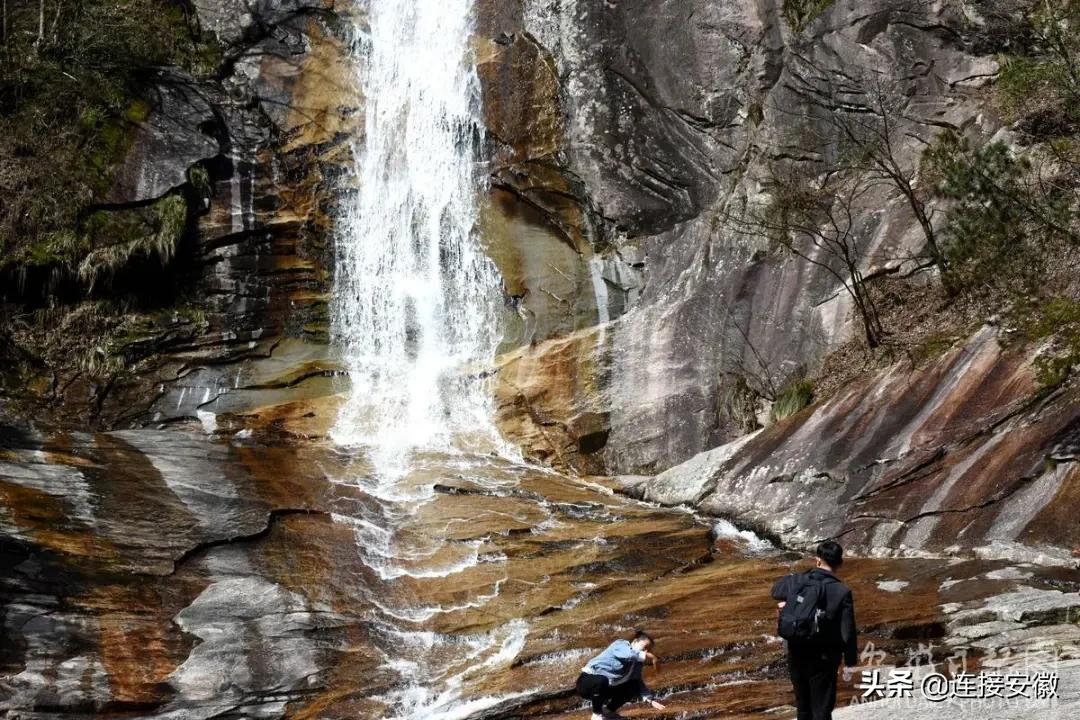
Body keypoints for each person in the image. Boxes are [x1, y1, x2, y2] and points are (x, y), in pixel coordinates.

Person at [770, 540, 858, 720]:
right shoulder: (842, 591)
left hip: (796, 652)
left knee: (803, 708)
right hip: (824, 659)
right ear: (840, 563)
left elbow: (775, 591)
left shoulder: (798, 581)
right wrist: (849, 661)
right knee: (821, 711)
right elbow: (847, 630)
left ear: (817, 560)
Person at [575, 630, 667, 720]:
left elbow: (638, 682)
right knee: (601, 680)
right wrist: (652, 657)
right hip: (586, 683)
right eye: (645, 647)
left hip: (604, 689)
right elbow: (628, 655)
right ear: (635, 641)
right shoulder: (621, 644)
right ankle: (597, 714)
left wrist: (650, 700)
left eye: (649, 650)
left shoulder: (637, 663)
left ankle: (608, 711)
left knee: (633, 685)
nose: (646, 651)